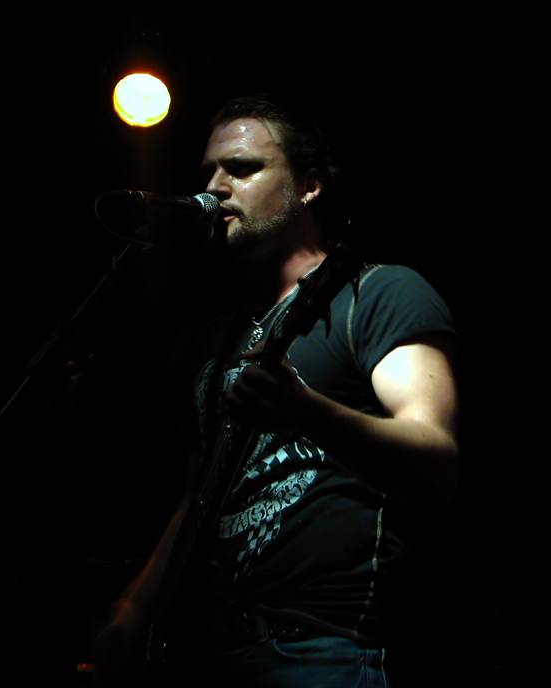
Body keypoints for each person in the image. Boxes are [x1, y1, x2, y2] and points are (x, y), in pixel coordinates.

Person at [93, 94, 459, 687]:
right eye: (210, 171)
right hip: (205, 650)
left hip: (321, 646)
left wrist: (307, 412)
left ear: (308, 186)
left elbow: (434, 453)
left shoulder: (377, 293)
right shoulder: (219, 338)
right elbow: (197, 496)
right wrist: (134, 608)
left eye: (242, 169)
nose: (215, 188)